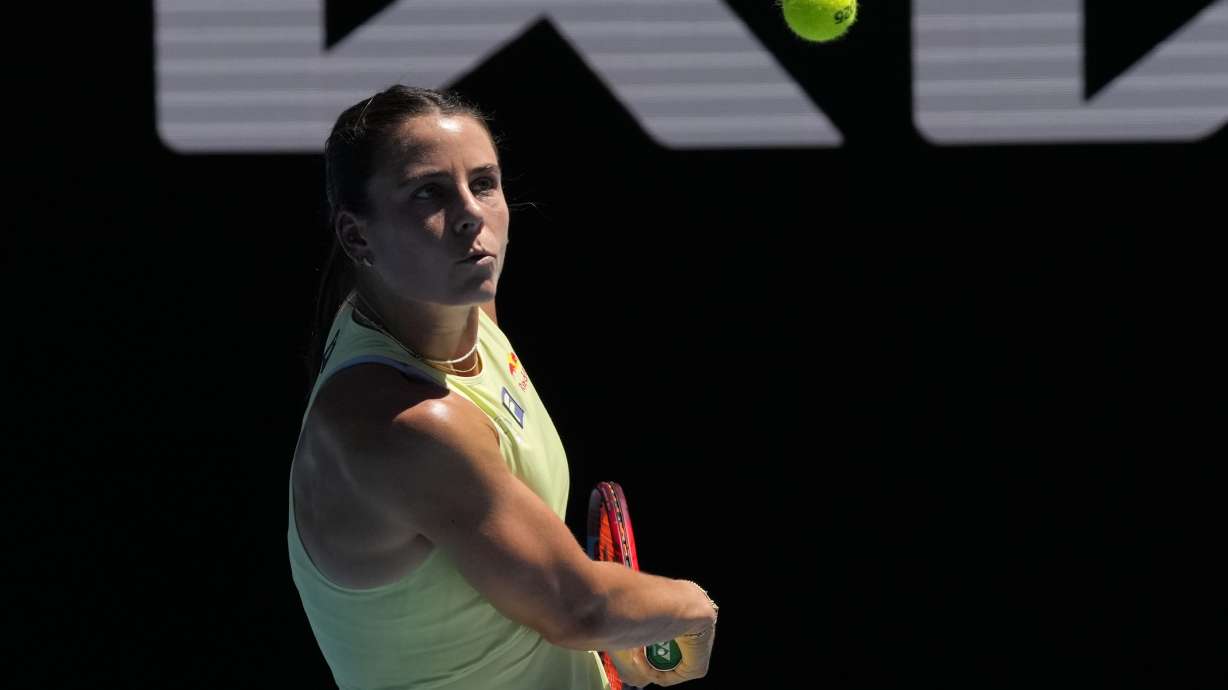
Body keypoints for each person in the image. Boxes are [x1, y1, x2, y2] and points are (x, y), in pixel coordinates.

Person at [287, 85, 718, 690]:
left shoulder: (453, 307)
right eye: (428, 193)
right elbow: (581, 609)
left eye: (484, 183)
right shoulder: (403, 426)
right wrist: (693, 609)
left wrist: (614, 630)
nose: (470, 214)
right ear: (358, 238)